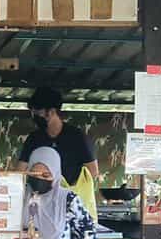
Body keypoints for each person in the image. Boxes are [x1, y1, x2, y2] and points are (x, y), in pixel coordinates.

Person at [16, 87, 100, 217]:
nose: (34, 116)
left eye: (37, 112)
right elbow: (19, 172)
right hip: (42, 204)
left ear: (51, 112)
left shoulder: (77, 137)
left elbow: (92, 172)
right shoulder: (34, 138)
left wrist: (67, 188)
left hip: (71, 205)